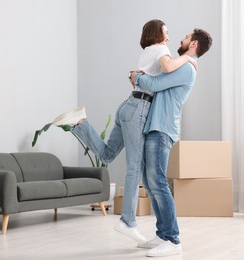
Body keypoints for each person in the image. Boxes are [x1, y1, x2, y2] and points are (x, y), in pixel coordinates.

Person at [50, 19, 196, 244]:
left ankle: (80, 124)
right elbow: (166, 70)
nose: (169, 37)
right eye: (166, 32)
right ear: (157, 34)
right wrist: (187, 57)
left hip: (127, 106)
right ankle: (127, 220)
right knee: (135, 168)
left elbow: (150, 77)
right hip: (140, 108)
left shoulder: (147, 51)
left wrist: (138, 76)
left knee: (107, 155)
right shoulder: (162, 50)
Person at [128, 28, 212, 257]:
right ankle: (163, 234)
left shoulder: (186, 67)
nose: (181, 39)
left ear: (193, 44)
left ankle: (173, 240)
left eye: (186, 37)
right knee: (151, 182)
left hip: (163, 128)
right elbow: (156, 80)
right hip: (155, 126)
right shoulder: (181, 63)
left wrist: (136, 76)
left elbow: (154, 84)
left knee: (159, 183)